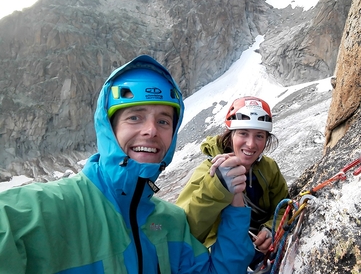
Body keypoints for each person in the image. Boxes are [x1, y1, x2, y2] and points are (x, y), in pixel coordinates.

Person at [0, 55, 254, 274]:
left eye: (164, 121)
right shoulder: (35, 211)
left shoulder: (171, 221)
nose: (151, 130)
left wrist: (235, 203)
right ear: (109, 129)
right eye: (135, 117)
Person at [176, 96, 289, 270]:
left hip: (259, 253)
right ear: (230, 136)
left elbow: (283, 207)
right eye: (243, 133)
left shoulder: (269, 168)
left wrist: (270, 229)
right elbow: (185, 231)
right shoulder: (208, 172)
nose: (251, 144)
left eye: (259, 135)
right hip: (222, 258)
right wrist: (217, 187)